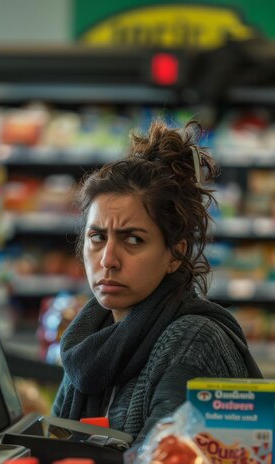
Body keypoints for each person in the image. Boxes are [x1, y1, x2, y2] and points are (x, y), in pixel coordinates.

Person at [51, 119, 262, 442]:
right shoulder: (89, 342)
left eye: (133, 240)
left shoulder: (191, 341)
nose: (108, 259)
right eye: (97, 237)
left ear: (174, 255)